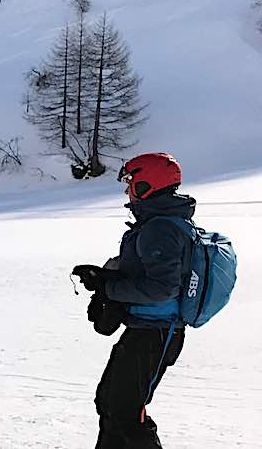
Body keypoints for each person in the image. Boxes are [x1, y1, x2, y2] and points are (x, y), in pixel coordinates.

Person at [72, 152, 193, 449]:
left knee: (126, 413)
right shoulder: (157, 224)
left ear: (147, 185)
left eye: (131, 183)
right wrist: (103, 278)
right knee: (110, 402)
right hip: (144, 329)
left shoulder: (160, 228)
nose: (128, 190)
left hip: (156, 333)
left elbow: (162, 288)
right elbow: (142, 272)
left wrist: (110, 290)